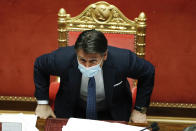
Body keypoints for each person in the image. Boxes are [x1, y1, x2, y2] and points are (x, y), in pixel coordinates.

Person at [34, 29, 155, 123]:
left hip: (113, 111)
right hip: (73, 109)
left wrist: (140, 109)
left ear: (105, 56)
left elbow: (148, 71)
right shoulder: (63, 58)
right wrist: (42, 103)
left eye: (93, 61)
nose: (87, 66)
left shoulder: (122, 60)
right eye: (82, 60)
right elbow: (40, 65)